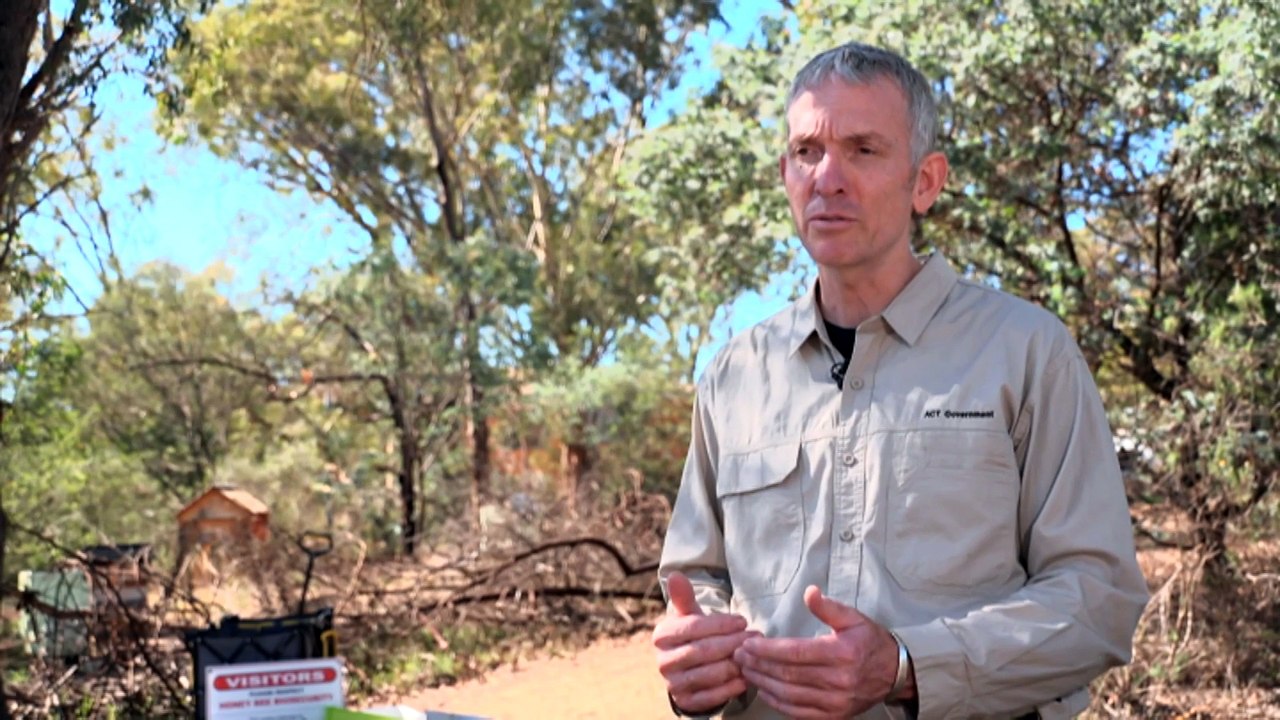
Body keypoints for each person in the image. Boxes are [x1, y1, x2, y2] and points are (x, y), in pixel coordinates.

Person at [653, 41, 1149, 720]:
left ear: (926, 182)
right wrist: (698, 654)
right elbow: (698, 575)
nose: (827, 177)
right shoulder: (734, 375)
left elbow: (1098, 598)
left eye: (862, 149)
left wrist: (911, 667)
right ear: (785, 173)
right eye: (807, 152)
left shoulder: (1026, 352)